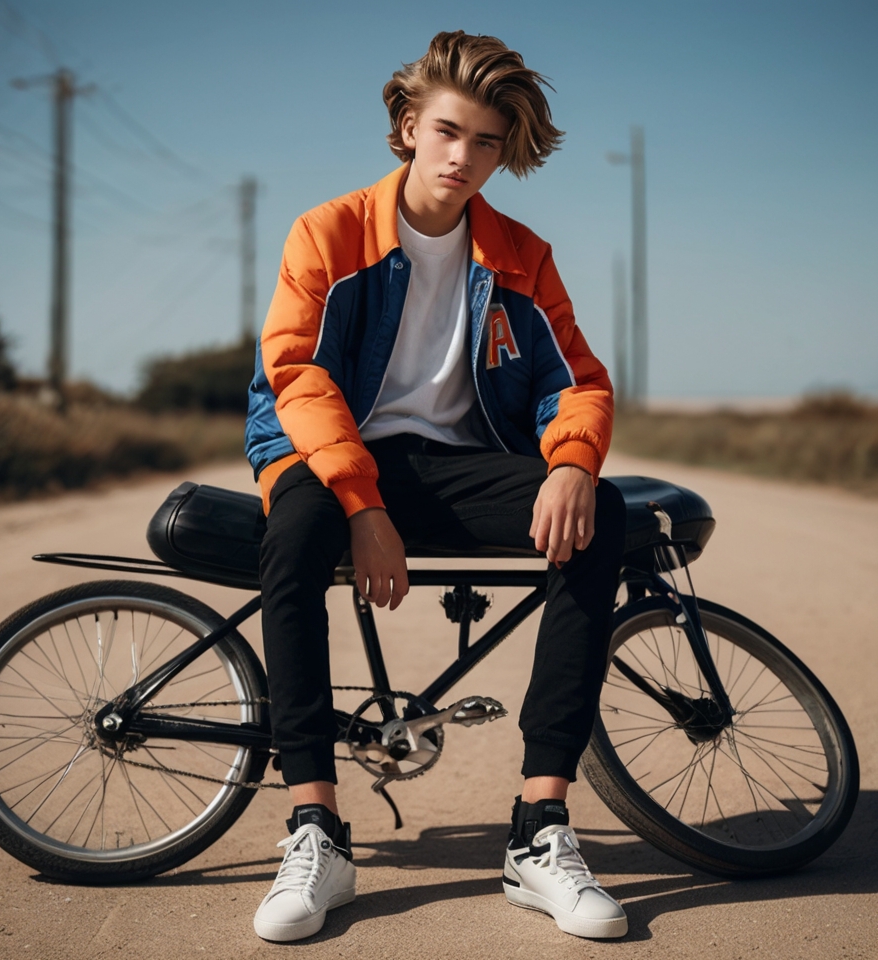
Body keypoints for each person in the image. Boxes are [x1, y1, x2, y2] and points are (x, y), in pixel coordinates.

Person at [244, 30, 628, 943]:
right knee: (296, 540)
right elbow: (297, 373)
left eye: (488, 142)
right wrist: (363, 506)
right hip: (328, 449)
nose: (465, 158)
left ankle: (540, 829)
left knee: (601, 516)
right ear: (410, 126)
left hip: (456, 460)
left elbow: (574, 378)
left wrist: (571, 461)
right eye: (450, 132)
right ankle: (316, 828)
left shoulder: (521, 253)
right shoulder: (329, 232)